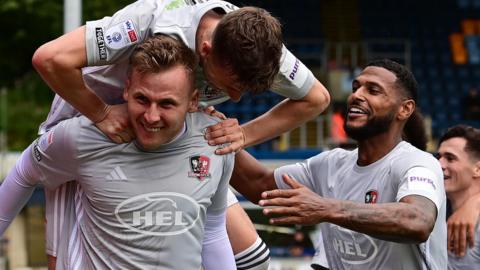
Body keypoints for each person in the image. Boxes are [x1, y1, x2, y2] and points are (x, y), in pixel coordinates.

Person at [32, 1, 330, 269]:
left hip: (170, 141)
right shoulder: (150, 19)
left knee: (252, 258)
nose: (236, 99)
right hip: (96, 143)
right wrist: (102, 114)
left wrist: (243, 133)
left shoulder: (256, 45)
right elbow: (50, 58)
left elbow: (317, 98)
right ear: (205, 51)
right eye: (229, 86)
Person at [0, 35, 235, 269]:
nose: (151, 116)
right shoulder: (81, 137)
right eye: (142, 99)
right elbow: (23, 174)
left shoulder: (215, 141)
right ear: (126, 90)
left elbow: (212, 230)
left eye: (166, 104)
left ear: (193, 101)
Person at [229, 59, 447, 269]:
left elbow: (418, 220)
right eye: (356, 87)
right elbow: (260, 184)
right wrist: (211, 134)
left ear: (405, 109)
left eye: (373, 90)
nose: (356, 95)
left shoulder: (417, 162)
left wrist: (325, 207)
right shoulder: (331, 164)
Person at [437, 124, 480, 269]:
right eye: (439, 157)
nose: (439, 164)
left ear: (477, 169)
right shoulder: (436, 210)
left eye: (450, 158)